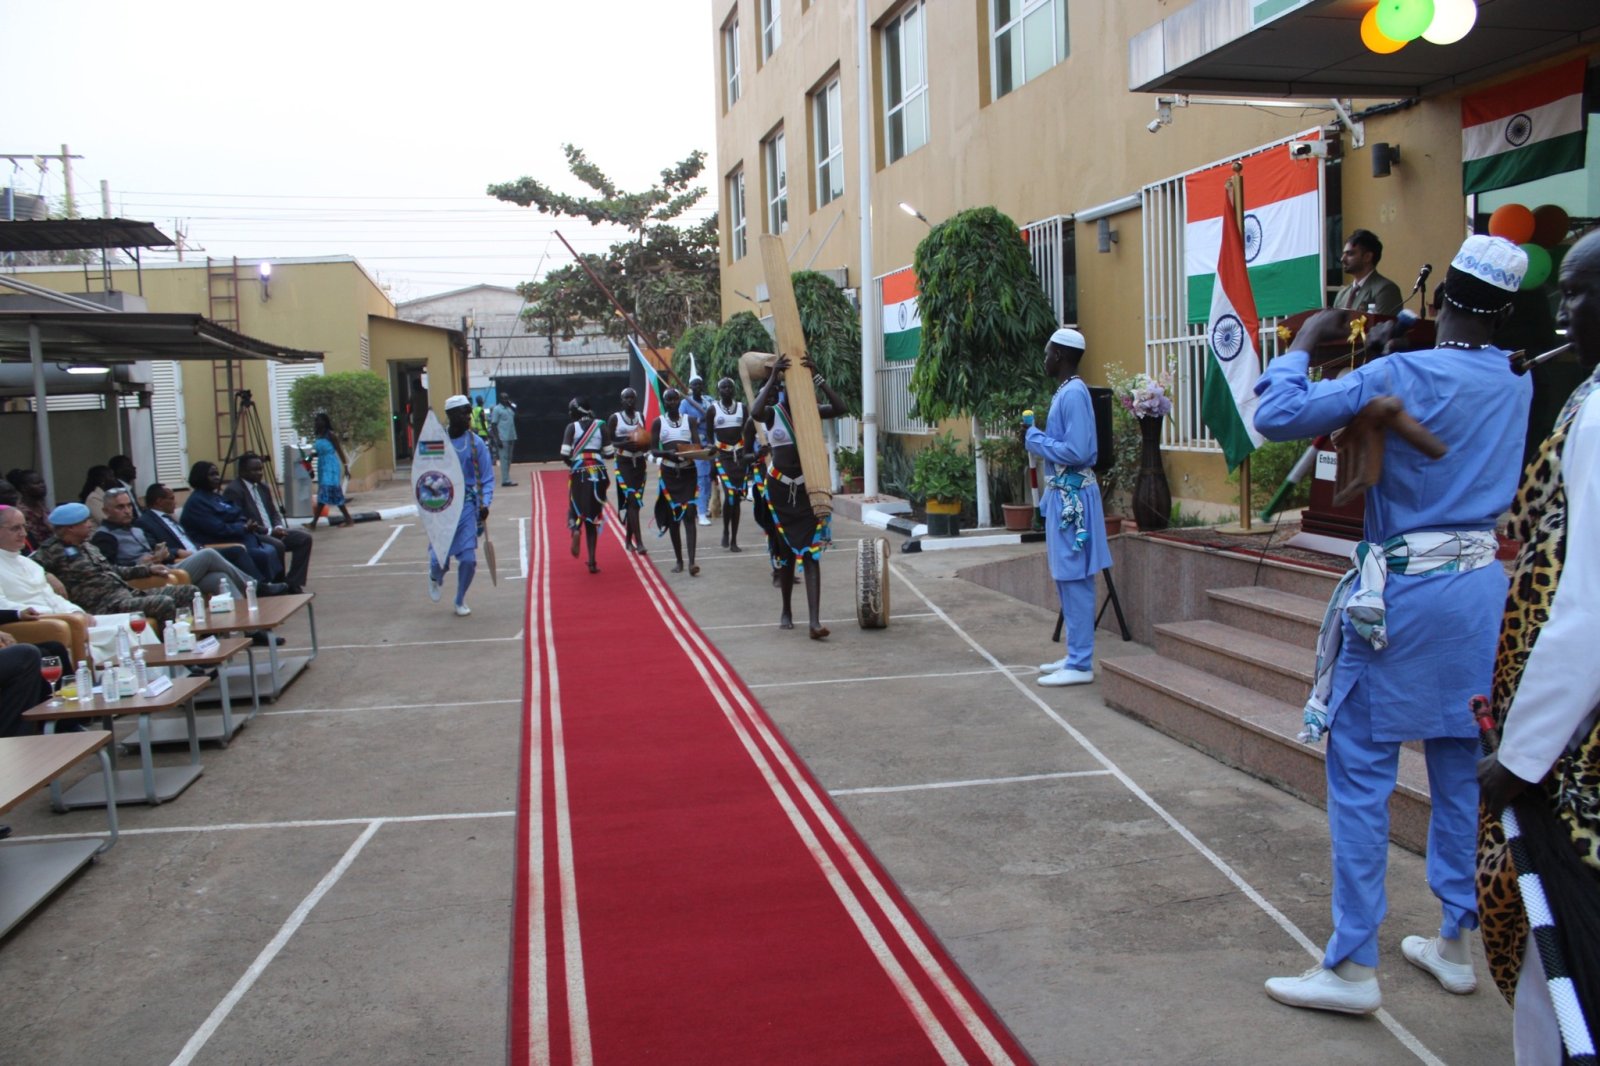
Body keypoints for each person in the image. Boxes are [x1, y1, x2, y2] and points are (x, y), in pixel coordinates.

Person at [1255, 234, 1533, 1015]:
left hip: (1403, 597)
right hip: (1480, 594)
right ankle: (1453, 942)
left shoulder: (1398, 373)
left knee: (1362, 772)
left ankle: (1351, 966)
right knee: (1456, 768)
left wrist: (1307, 344)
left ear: (1441, 298)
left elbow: (1277, 415)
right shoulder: (1515, 383)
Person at [1476, 227, 1600, 1065]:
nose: (1562, 311)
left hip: (1577, 760)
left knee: (1565, 974)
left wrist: (1521, 756)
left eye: (1578, 293)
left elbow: (1587, 601)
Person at [1023, 328, 1112, 686]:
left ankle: (1080, 664)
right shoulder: (1067, 392)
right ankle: (1075, 655)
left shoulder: (1073, 393)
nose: (1044, 360)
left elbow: (1077, 451)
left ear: (1059, 355)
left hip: (1073, 498)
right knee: (1066, 576)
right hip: (1064, 495)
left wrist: (1035, 438)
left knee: (1075, 578)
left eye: (1047, 353)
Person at [750, 355, 846, 637]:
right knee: (787, 552)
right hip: (779, 490)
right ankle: (786, 610)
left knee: (811, 553)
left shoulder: (811, 410)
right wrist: (772, 378)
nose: (798, 391)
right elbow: (755, 412)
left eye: (803, 386)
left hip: (806, 490)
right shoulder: (773, 412)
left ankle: (814, 621)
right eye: (792, 386)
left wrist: (817, 377)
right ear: (784, 389)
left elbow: (841, 407)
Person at [32, 502, 200, 629]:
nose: (90, 524)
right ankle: (174, 655)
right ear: (70, 528)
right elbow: (29, 567)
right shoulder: (51, 550)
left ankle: (195, 643)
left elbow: (112, 570)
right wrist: (48, 575)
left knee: (189, 591)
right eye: (85, 522)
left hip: (126, 594)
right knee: (163, 603)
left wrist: (147, 569)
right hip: (103, 605)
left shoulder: (87, 545)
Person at [93, 487, 275, 599]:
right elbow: (109, 571)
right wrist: (141, 564)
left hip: (168, 568)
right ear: (106, 511)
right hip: (146, 579)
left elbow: (161, 549)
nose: (127, 511)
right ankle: (254, 586)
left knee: (221, 579)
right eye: (120, 507)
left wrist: (162, 554)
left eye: (129, 506)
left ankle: (251, 628)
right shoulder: (105, 536)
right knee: (208, 554)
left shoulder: (136, 528)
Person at [428, 395, 494, 617]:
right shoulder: (436, 442)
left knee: (468, 559)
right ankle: (435, 575)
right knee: (438, 559)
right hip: (442, 506)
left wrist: (485, 502)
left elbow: (487, 478)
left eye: (469, 411)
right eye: (464, 412)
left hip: (467, 506)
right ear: (451, 415)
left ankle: (460, 598)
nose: (468, 416)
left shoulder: (476, 443)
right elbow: (424, 475)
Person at [139, 482, 269, 585]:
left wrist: (198, 547)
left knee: (226, 568)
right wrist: (177, 551)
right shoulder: (146, 522)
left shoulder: (170, 518)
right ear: (159, 502)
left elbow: (186, 538)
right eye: (171, 498)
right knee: (210, 554)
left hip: (198, 551)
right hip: (182, 561)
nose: (175, 502)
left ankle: (244, 610)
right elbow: (153, 549)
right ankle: (254, 586)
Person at [180, 461, 282, 584]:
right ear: (201, 477)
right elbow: (217, 529)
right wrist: (243, 527)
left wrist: (246, 525)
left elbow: (237, 513)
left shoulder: (215, 496)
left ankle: (275, 585)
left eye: (217, 474)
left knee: (272, 547)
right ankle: (260, 587)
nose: (217, 478)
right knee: (261, 554)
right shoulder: (196, 502)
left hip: (241, 537)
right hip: (220, 542)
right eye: (212, 475)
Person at [226, 453, 314, 590]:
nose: (259, 473)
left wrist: (278, 526)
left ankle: (293, 582)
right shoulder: (234, 490)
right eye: (254, 470)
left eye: (261, 469)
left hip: (272, 530)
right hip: (255, 534)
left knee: (304, 538)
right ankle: (278, 583)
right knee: (277, 544)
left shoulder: (263, 487)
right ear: (242, 471)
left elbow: (273, 513)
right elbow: (241, 520)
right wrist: (269, 531)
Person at [650, 387, 704, 576]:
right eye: (668, 400)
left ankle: (692, 562)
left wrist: (703, 450)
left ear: (679, 402)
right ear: (664, 403)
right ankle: (679, 561)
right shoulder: (658, 422)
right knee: (674, 518)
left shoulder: (690, 421)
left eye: (674, 399)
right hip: (669, 473)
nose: (672, 403)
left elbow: (697, 445)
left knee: (689, 514)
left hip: (688, 472)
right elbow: (653, 450)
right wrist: (667, 453)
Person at [561, 397, 613, 574]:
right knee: (593, 515)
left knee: (574, 507)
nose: (569, 413)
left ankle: (575, 528)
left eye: (571, 410)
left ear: (578, 411)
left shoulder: (571, 427)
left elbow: (564, 453)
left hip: (579, 470)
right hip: (598, 472)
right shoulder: (602, 426)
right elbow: (609, 453)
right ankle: (592, 561)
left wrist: (573, 463)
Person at [704, 376, 751, 552]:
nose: (727, 390)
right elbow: (709, 434)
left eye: (729, 387)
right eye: (723, 388)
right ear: (719, 391)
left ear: (734, 390)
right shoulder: (712, 410)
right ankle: (725, 530)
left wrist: (748, 454)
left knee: (736, 498)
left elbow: (748, 432)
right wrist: (710, 446)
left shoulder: (742, 408)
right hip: (722, 456)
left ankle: (734, 539)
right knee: (729, 494)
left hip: (739, 456)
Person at [608, 388, 650, 554]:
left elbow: (645, 439)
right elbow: (609, 441)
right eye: (626, 398)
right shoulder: (615, 418)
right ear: (621, 400)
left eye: (632, 398)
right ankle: (639, 542)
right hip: (624, 462)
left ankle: (628, 540)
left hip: (639, 462)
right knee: (632, 499)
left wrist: (646, 444)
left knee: (636, 503)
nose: (629, 401)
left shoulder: (640, 417)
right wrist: (623, 444)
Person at [1333, 229, 1405, 316]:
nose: (1342, 259)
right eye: (1344, 254)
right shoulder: (1342, 294)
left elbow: (1382, 327)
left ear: (1367, 257)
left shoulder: (1385, 289)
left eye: (1350, 254)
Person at [306, 414, 354, 532]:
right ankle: (348, 519)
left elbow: (339, 450)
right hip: (322, 465)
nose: (318, 422)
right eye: (316, 420)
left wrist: (346, 466)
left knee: (327, 491)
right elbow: (320, 452)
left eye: (320, 420)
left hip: (331, 465)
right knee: (330, 493)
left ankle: (314, 523)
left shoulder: (330, 435)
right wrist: (310, 457)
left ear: (325, 422)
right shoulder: (318, 436)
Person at [681, 375, 715, 527]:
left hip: (711, 444)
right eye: (694, 385)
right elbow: (682, 422)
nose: (697, 387)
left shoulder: (709, 400)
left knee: (709, 479)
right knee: (701, 479)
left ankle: (704, 507)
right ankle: (701, 513)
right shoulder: (685, 402)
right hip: (695, 446)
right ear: (690, 387)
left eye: (699, 384)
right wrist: (701, 420)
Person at [6, 469, 52, 550]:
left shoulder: (41, 505)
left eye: (42, 482)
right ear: (24, 488)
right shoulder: (18, 513)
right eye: (36, 483)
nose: (42, 485)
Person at [489, 394, 518, 486]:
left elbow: (516, 409)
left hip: (511, 436)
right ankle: (505, 480)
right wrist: (497, 439)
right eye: (504, 398)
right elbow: (493, 425)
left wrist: (511, 403)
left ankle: (507, 478)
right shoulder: (497, 409)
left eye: (507, 398)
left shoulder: (509, 408)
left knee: (509, 459)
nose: (506, 400)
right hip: (503, 438)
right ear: (500, 399)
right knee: (504, 459)